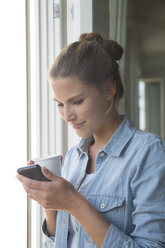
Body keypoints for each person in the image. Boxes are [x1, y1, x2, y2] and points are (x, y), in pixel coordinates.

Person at [16, 32, 165, 248]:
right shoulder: (74, 158)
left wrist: (75, 204)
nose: (67, 115)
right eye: (59, 104)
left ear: (109, 89)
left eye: (76, 101)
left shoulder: (149, 153)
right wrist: (50, 205)